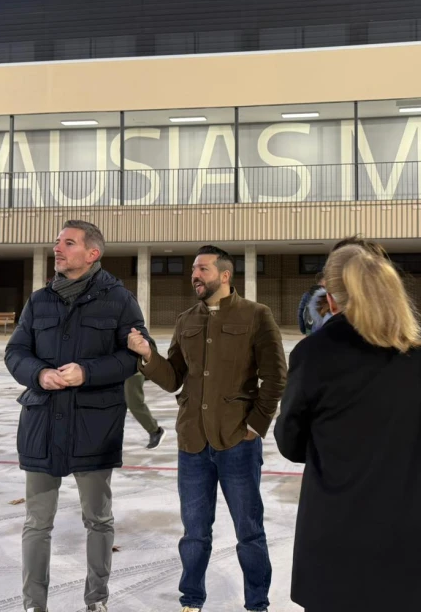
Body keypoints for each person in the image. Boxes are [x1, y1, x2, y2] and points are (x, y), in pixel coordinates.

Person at [273, 242, 421, 612]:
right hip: (418, 533)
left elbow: (290, 442)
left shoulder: (315, 352)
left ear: (332, 299)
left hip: (339, 534)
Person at [127, 245, 287, 612]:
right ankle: (191, 601)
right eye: (193, 270)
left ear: (225, 275)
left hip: (237, 441)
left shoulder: (257, 315)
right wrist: (148, 357)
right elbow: (174, 379)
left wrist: (256, 425)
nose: (195, 276)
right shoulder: (187, 319)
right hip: (193, 442)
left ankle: (257, 603)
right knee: (195, 534)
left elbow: (276, 376)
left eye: (202, 269)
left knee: (250, 532)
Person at [5, 220, 151, 612]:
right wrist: (38, 374)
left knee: (98, 520)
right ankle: (34, 604)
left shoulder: (120, 299)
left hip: (93, 426)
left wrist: (87, 372)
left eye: (68, 243)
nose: (57, 248)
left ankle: (96, 599)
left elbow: (135, 355)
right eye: (57, 242)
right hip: (43, 423)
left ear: (92, 254)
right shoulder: (39, 301)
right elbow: (15, 352)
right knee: (37, 523)